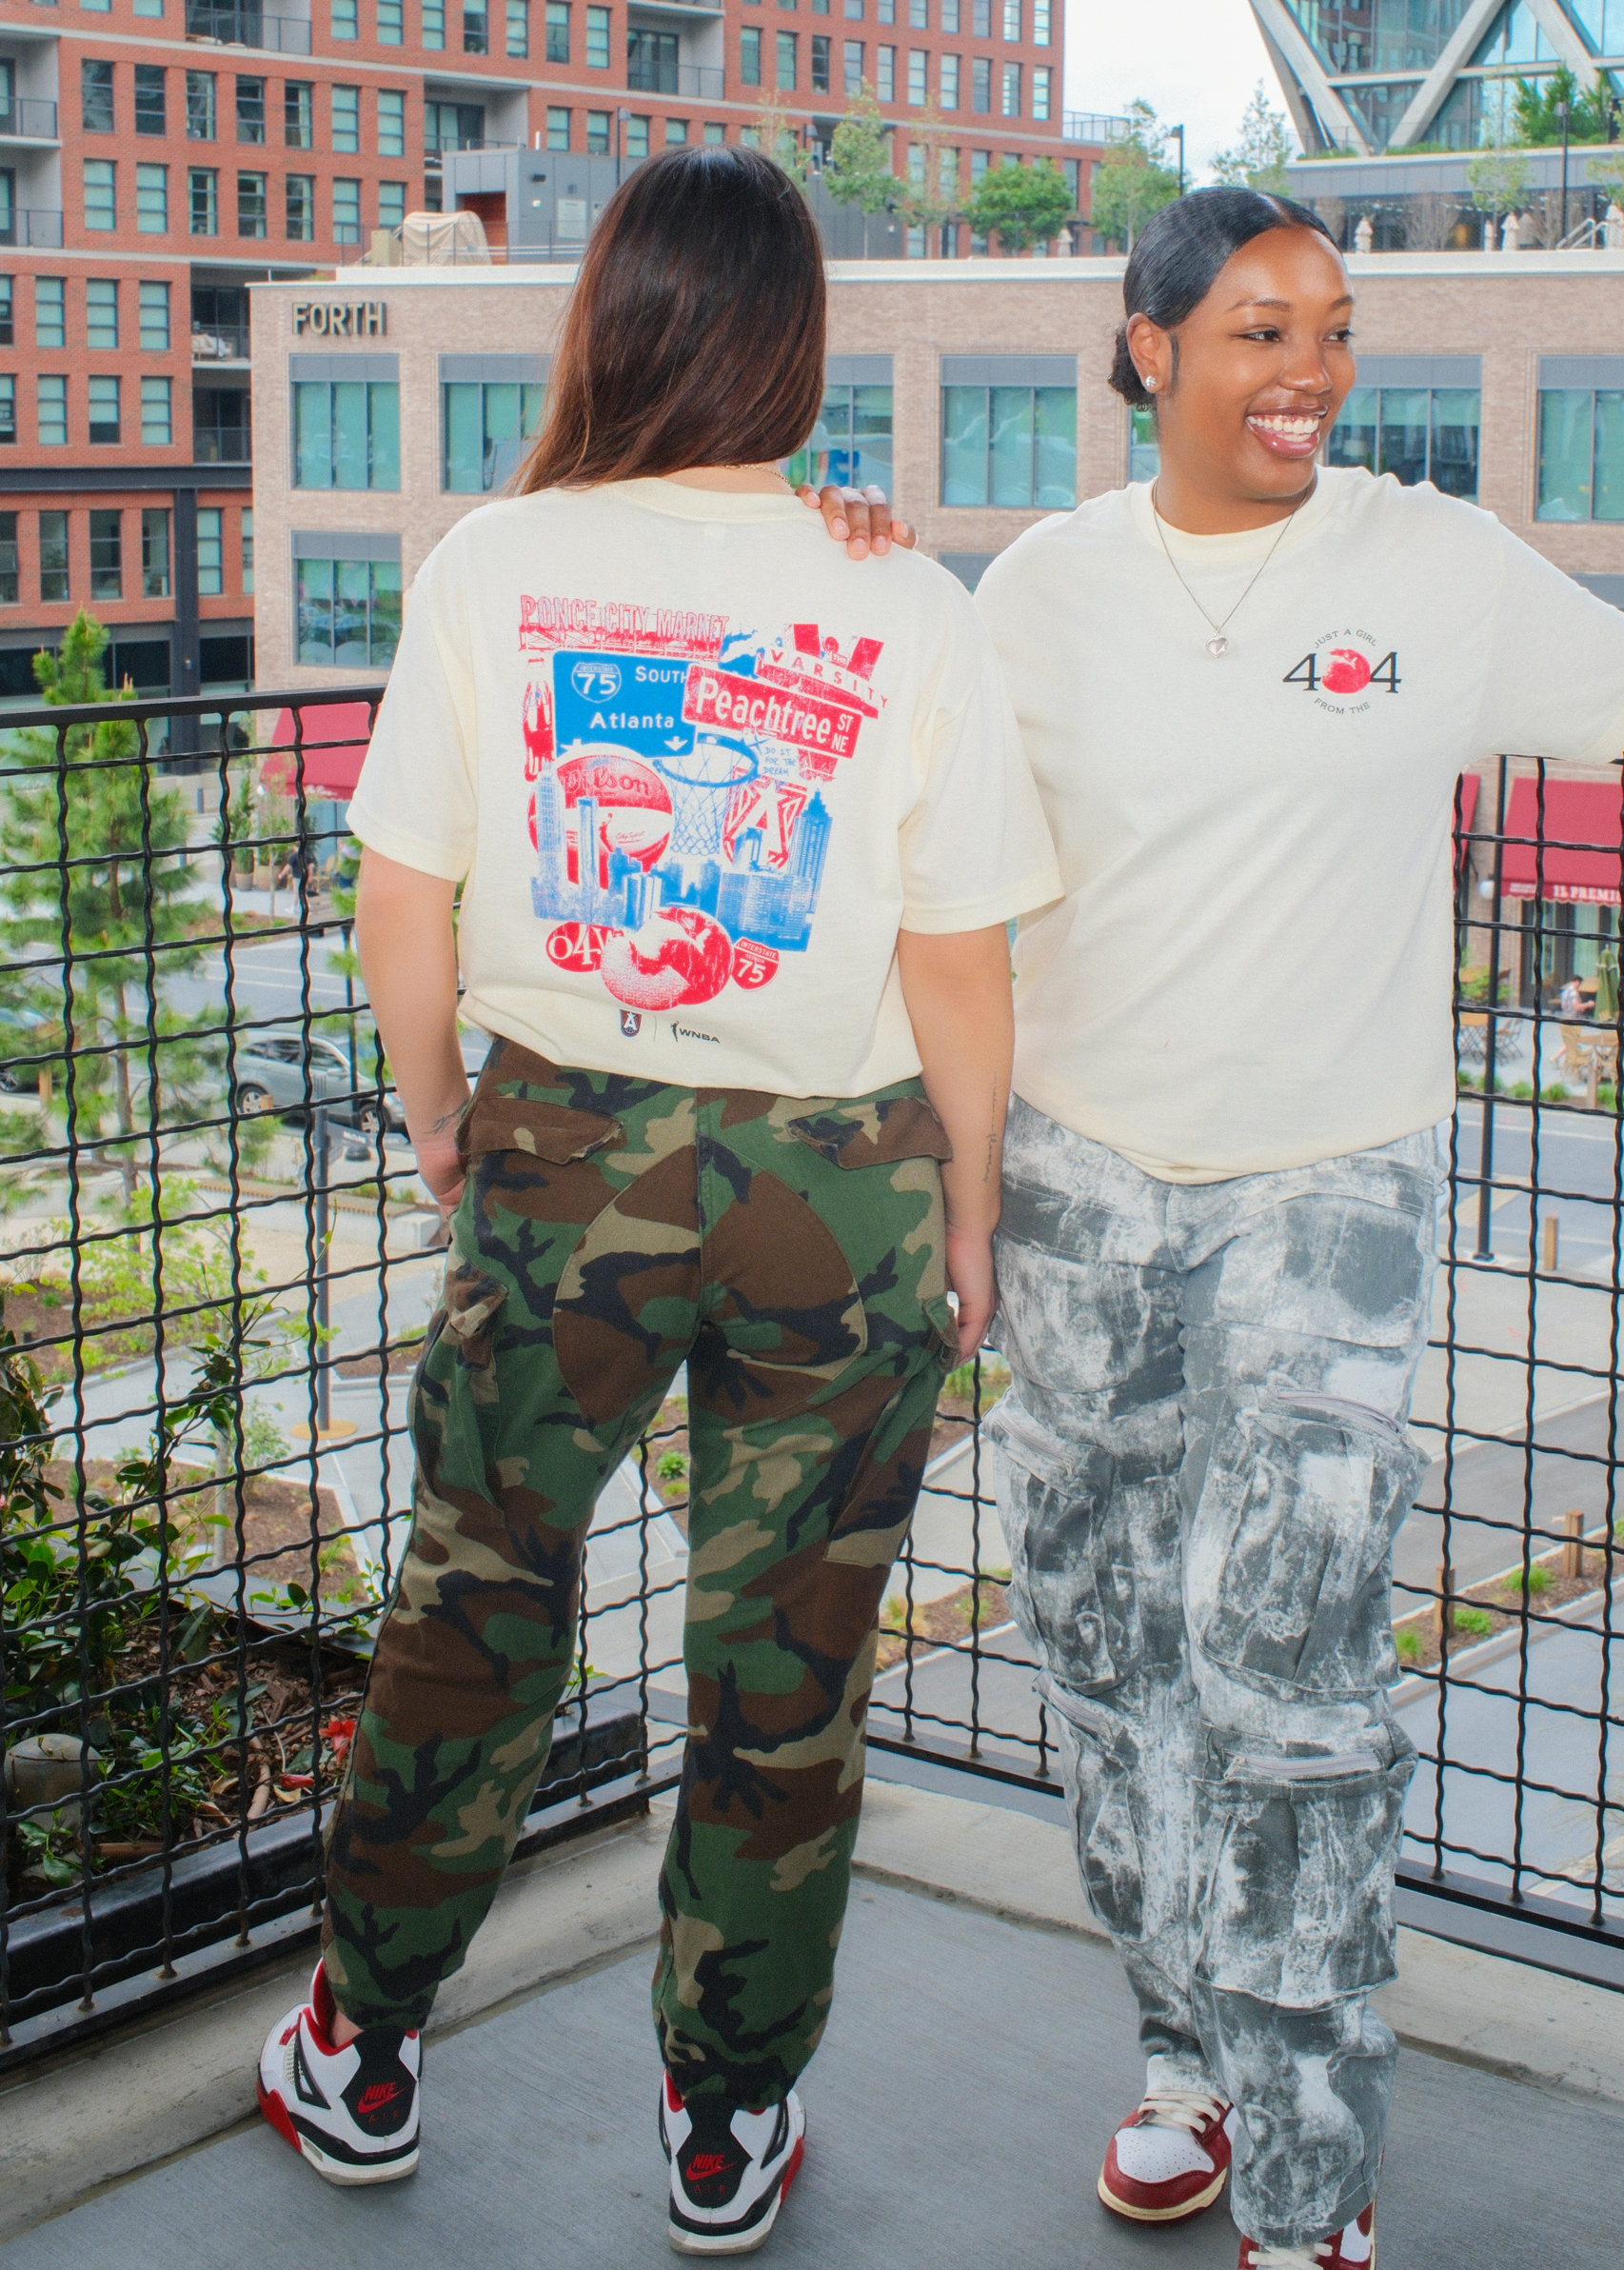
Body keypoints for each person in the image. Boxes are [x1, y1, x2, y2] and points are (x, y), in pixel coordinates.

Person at [807, 188, 1624, 2270]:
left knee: (1297, 1673)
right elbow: (902, 814)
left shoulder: (1428, 566)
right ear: (1148, 346)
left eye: (1333, 329)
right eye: (1259, 329)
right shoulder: (1035, 595)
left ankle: (1312, 2170)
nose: (1310, 369)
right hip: (1075, 1175)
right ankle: (1187, 2056)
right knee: (1101, 1650)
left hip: (1326, 1188)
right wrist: (851, 550)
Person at [253, 146, 1060, 2259]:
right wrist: (972, 1204)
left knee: (478, 1595)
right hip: (843, 1176)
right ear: (798, 341)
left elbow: (401, 900)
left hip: (562, 1148)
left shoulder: (490, 562)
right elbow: (960, 955)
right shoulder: (903, 598)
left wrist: (442, 1117)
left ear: (606, 316)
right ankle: (724, 2124)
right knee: (783, 1655)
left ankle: (362, 2043)